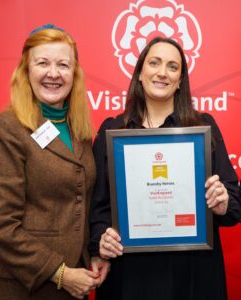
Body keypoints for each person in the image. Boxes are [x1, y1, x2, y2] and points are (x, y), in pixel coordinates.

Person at [89, 37, 241, 300]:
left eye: (173, 66)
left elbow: (234, 204)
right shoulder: (112, 130)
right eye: (154, 63)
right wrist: (101, 239)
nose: (162, 72)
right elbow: (98, 206)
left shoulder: (203, 128)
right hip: (131, 273)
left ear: (180, 80)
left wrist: (222, 202)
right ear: (139, 73)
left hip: (192, 273)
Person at [0, 24, 101, 300]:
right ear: (26, 70)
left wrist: (94, 252)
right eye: (43, 63)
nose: (53, 73)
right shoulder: (6, 128)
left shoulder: (79, 131)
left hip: (76, 283)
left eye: (63, 65)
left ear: (75, 74)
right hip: (24, 286)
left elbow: (83, 201)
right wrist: (60, 273)